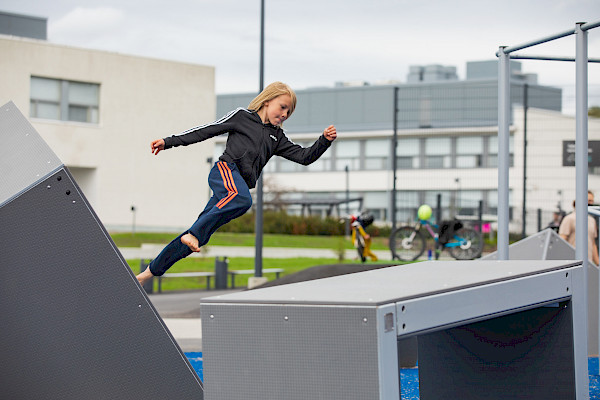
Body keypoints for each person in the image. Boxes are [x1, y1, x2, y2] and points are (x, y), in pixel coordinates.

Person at [137, 82, 338, 284]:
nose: (285, 114)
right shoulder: (242, 117)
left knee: (198, 237)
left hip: (235, 187)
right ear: (267, 101)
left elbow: (304, 157)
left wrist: (324, 141)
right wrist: (169, 141)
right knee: (241, 200)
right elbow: (206, 130)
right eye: (282, 107)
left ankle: (149, 272)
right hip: (224, 171)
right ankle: (194, 234)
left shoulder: (276, 137)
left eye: (289, 112)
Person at [558, 190, 599, 266]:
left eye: (592, 201)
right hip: (573, 262)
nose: (590, 203)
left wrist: (598, 263)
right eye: (588, 200)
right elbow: (562, 240)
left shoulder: (592, 220)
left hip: (588, 263)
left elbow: (593, 244)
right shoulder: (569, 219)